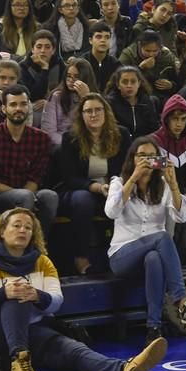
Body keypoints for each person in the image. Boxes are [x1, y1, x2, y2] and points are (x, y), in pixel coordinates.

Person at [0, 206, 169, 371]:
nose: (23, 230)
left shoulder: (43, 262)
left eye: (28, 227)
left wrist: (38, 296)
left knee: (74, 350)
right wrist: (2, 294)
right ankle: (19, 360)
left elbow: (56, 302)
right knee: (14, 296)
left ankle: (124, 369)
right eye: (16, 225)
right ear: (1, 231)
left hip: (34, 331)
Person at [106, 136, 186, 342]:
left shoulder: (162, 185)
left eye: (151, 157)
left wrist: (173, 184)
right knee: (161, 237)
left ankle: (153, 328)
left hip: (150, 258)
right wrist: (133, 179)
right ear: (132, 159)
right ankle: (181, 301)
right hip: (122, 256)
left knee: (153, 257)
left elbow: (182, 217)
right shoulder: (119, 182)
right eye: (141, 156)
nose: (146, 161)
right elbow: (111, 212)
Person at [58, 93, 131, 275]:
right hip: (79, 190)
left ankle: (123, 256)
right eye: (88, 111)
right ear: (81, 115)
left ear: (106, 112)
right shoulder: (70, 138)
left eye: (98, 109)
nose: (93, 114)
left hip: (112, 188)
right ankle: (81, 256)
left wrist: (114, 186)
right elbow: (70, 177)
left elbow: (127, 169)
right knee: (84, 200)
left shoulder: (121, 134)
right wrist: (97, 187)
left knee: (126, 199)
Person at [0, 85, 58, 240]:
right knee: (25, 196)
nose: (18, 108)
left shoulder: (41, 138)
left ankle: (38, 247)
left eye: (23, 104)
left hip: (28, 194)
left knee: (50, 196)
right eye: (13, 104)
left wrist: (27, 195)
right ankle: (20, 249)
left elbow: (36, 177)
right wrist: (23, 195)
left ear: (29, 106)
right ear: (3, 109)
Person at [151, 95, 186, 197]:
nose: (179, 124)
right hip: (162, 195)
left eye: (183, 119)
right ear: (166, 119)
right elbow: (155, 175)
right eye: (175, 119)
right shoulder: (153, 142)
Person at [105, 65, 161, 138]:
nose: (129, 85)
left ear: (139, 83)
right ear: (118, 85)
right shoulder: (109, 103)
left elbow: (154, 129)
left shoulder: (148, 101)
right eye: (125, 82)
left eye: (133, 82)